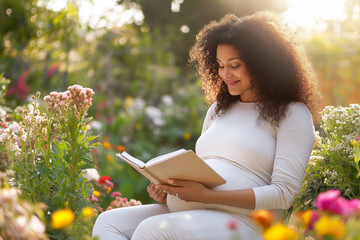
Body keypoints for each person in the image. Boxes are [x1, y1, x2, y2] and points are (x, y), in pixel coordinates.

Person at [92, 11, 321, 240]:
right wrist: (169, 189)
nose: (225, 74)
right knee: (109, 223)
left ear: (262, 65)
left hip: (246, 222)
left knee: (153, 229)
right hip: (196, 212)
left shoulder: (293, 113)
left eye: (234, 65)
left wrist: (206, 196)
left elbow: (283, 194)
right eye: (220, 65)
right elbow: (204, 170)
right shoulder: (219, 110)